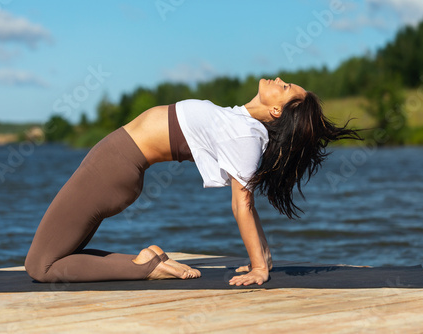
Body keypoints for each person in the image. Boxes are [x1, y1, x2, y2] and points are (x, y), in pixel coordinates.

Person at [24, 77, 360, 286]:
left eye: (285, 88)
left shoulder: (246, 135)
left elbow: (242, 202)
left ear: (276, 112)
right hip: (114, 166)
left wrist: (259, 267)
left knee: (40, 266)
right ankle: (146, 260)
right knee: (61, 254)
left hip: (111, 167)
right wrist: (265, 254)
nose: (279, 80)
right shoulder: (240, 120)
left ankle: (145, 267)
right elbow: (249, 199)